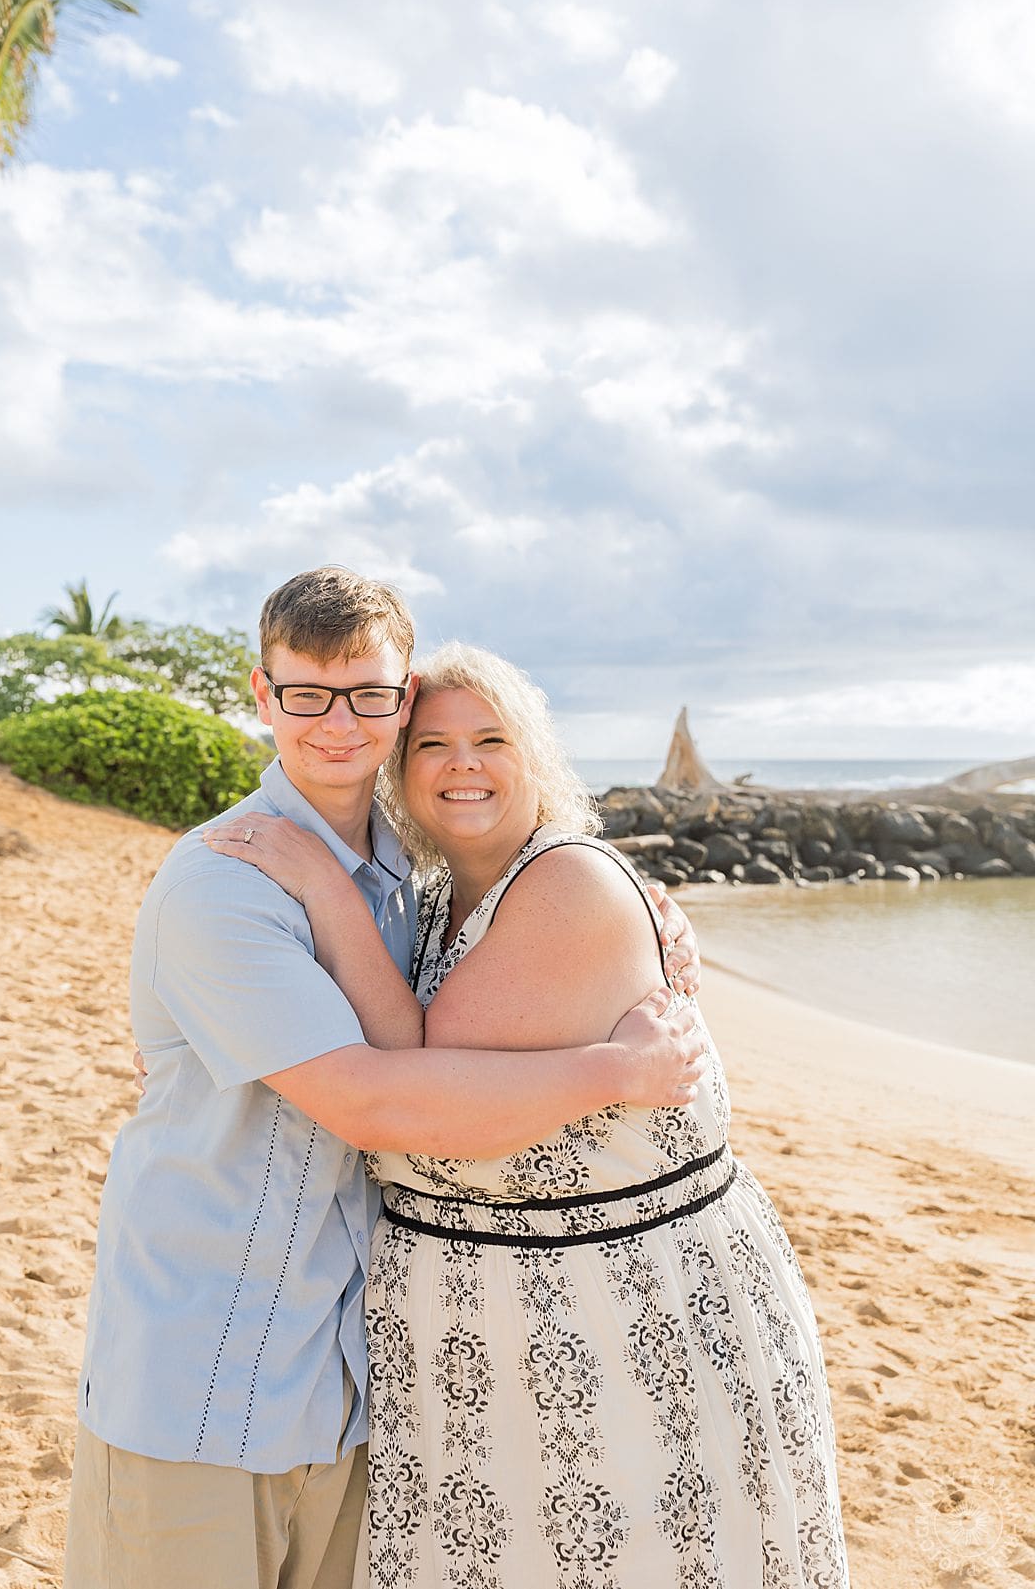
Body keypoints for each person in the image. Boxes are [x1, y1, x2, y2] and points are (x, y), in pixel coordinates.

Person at [63, 570, 706, 1589]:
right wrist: (619, 1067)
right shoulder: (225, 878)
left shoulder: (411, 881)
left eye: (369, 693)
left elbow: (513, 935)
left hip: (348, 1387)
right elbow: (375, 1098)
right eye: (307, 694)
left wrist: (634, 917)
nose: (337, 722)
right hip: (203, 1374)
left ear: (402, 701)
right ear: (262, 695)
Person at [210, 640, 850, 1589]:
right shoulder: (425, 901)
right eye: (430, 745)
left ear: (534, 756)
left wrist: (319, 884)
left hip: (621, 1319)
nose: (461, 763)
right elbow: (338, 1018)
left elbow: (414, 1078)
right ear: (400, 769)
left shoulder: (569, 884)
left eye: (489, 738)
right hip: (479, 1328)